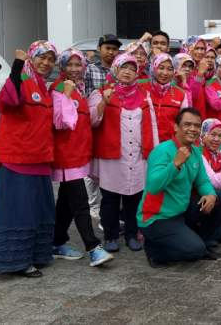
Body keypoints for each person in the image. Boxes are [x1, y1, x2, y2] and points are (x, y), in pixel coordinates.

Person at [0, 41, 58, 277]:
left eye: (50, 59)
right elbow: (7, 101)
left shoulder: (43, 86)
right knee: (19, 213)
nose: (46, 63)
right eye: (41, 58)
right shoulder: (21, 80)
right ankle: (15, 262)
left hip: (39, 159)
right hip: (17, 160)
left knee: (39, 211)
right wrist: (17, 64)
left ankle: (36, 255)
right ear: (31, 58)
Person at [138, 108, 221, 267]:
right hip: (156, 218)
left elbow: (202, 182)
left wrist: (210, 195)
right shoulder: (162, 151)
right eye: (187, 124)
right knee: (194, 251)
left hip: (181, 211)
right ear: (176, 127)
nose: (193, 129)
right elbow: (153, 187)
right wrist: (175, 164)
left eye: (196, 125)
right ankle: (155, 252)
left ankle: (205, 244)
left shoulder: (195, 152)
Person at [50, 48, 113, 267]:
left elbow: (91, 121)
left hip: (79, 154)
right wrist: (66, 94)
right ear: (62, 67)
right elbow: (61, 122)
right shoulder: (59, 88)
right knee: (80, 203)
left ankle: (56, 241)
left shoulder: (79, 90)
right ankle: (93, 247)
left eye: (79, 65)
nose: (75, 69)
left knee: (66, 204)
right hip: (67, 156)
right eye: (70, 65)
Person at [89, 53, 154, 253]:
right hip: (112, 156)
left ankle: (132, 234)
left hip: (137, 154)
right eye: (124, 67)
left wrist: (154, 152)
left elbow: (152, 125)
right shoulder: (101, 92)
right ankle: (110, 235)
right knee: (109, 199)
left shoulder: (144, 95)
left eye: (132, 69)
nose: (128, 72)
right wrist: (103, 103)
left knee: (134, 198)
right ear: (115, 69)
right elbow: (92, 121)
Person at [83, 34, 123, 218]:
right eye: (107, 48)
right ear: (100, 49)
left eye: (114, 49)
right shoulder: (90, 70)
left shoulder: (120, 71)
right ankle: (93, 204)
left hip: (115, 122)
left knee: (108, 165)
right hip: (93, 120)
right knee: (91, 165)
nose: (111, 52)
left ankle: (107, 202)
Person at [140, 53, 190, 145]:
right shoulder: (140, 87)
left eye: (170, 69)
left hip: (168, 145)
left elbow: (184, 123)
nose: (165, 73)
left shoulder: (181, 94)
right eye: (161, 68)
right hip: (141, 145)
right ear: (153, 68)